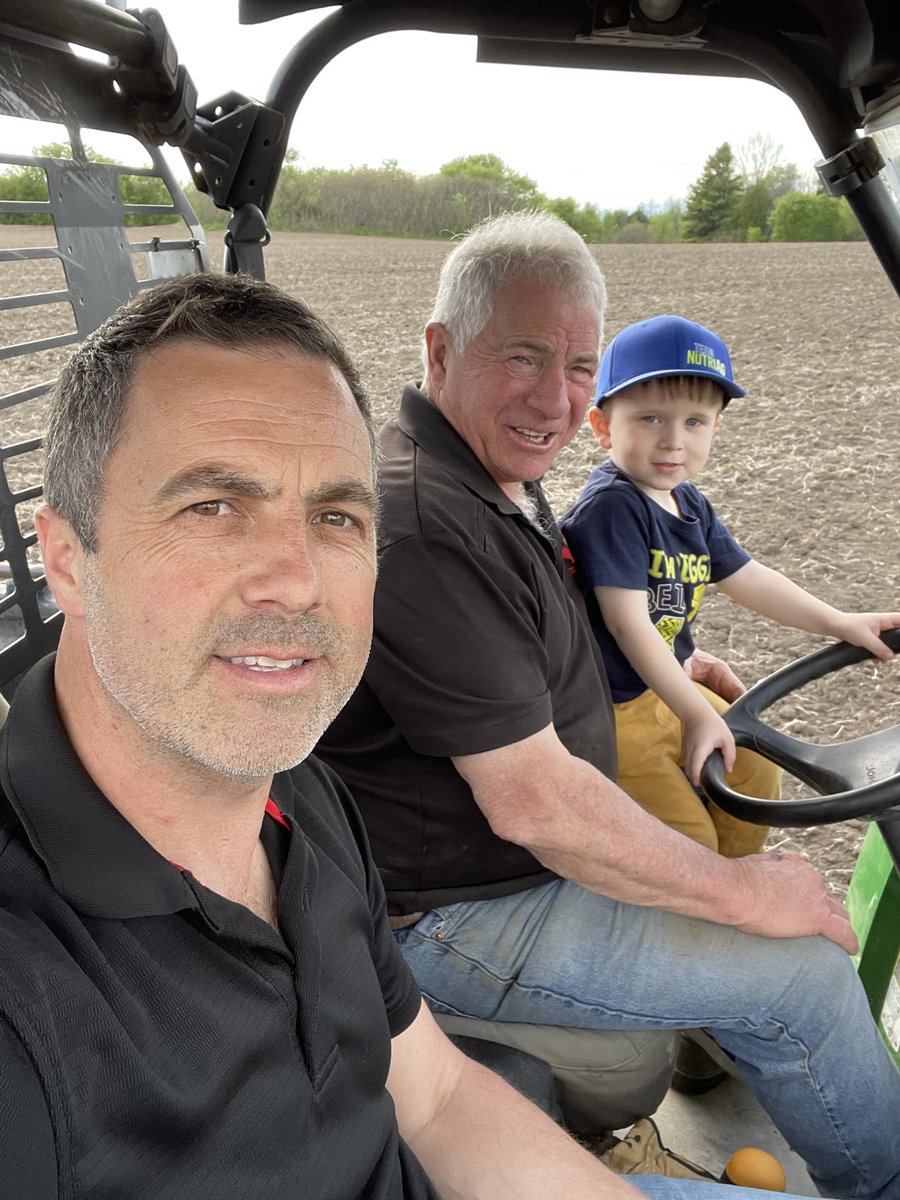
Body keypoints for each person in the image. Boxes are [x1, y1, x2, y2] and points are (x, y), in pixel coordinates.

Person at [0, 271, 755, 1200]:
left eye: (335, 517)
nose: (298, 580)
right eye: (213, 508)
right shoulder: (25, 994)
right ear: (67, 559)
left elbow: (433, 1098)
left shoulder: (302, 797)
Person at [316, 210, 900, 1200]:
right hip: (459, 913)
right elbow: (533, 802)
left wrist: (690, 659)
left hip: (510, 868)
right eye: (524, 357)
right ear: (441, 352)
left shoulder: (492, 473)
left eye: (580, 366)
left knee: (759, 906)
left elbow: (542, 637)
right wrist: (741, 893)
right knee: (799, 969)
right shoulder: (428, 525)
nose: (555, 397)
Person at [559, 313, 900, 856]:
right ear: (603, 427)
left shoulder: (688, 503)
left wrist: (839, 622)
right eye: (651, 418)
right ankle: (701, 891)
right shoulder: (612, 509)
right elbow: (628, 626)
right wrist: (696, 714)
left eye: (694, 421)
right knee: (684, 843)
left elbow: (747, 578)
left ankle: (736, 879)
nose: (673, 441)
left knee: (756, 769)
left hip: (665, 687)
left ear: (715, 429)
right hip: (612, 708)